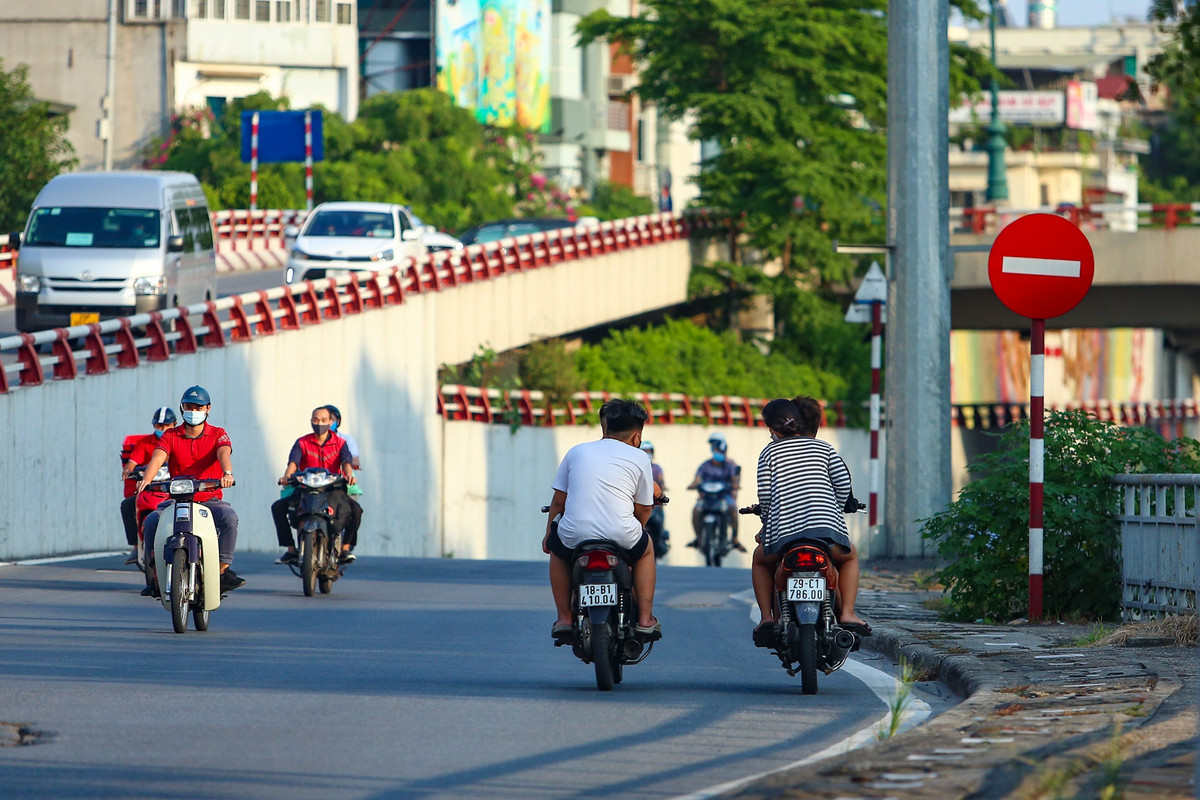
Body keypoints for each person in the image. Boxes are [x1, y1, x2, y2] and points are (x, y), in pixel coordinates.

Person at [750, 396, 870, 644]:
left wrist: (766, 523)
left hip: (784, 536)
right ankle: (847, 613)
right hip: (825, 534)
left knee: (760, 559)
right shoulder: (823, 448)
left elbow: (766, 495)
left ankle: (766, 618)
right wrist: (835, 508)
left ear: (772, 428)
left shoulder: (769, 452)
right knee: (850, 557)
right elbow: (843, 483)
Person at [542, 399, 661, 640]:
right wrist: (635, 529)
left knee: (556, 549)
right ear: (637, 437)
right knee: (646, 548)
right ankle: (645, 618)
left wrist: (548, 535)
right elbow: (645, 508)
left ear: (604, 428)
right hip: (622, 534)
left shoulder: (577, 451)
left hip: (575, 535)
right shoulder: (640, 458)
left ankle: (564, 618)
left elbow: (558, 502)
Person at [136, 385, 243, 594]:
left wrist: (227, 473)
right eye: (188, 406)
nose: (193, 411)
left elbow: (224, 454)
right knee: (151, 521)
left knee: (229, 517)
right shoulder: (170, 436)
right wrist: (146, 480)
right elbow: (158, 457)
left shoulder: (218, 434)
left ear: (208, 408)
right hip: (178, 500)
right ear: (182, 408)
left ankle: (223, 569)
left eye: (198, 407)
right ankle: (155, 574)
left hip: (209, 500)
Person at [273, 406, 357, 565]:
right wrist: (286, 477)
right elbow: (293, 463)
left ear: (331, 422)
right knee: (278, 508)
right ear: (311, 421)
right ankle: (291, 550)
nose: (319, 423)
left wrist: (349, 475)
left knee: (356, 511)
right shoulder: (302, 442)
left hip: (332, 489)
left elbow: (346, 462)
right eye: (316, 420)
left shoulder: (340, 443)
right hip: (306, 489)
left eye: (324, 420)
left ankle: (345, 549)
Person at [119, 407, 177, 564]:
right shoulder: (145, 443)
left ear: (175, 424)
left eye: (166, 426)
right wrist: (128, 470)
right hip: (149, 488)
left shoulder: (179, 441)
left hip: (174, 488)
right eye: (159, 426)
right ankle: (136, 547)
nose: (162, 429)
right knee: (127, 505)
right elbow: (132, 462)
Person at [686, 432, 745, 552]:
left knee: (733, 508)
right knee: (696, 510)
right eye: (716, 450)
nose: (719, 453)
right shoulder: (705, 465)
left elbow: (735, 479)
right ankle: (698, 538)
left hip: (724, 497)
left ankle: (734, 538)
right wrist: (693, 485)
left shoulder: (730, 465)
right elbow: (698, 478)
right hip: (707, 498)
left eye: (721, 451)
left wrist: (735, 485)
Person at [323, 404, 363, 554]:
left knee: (354, 511)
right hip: (318, 484)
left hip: (339, 483)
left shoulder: (344, 442)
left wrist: (349, 471)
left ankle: (346, 545)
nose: (326, 424)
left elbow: (351, 460)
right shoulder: (307, 441)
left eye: (330, 420)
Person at [640, 440, 669, 558]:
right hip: (638, 504)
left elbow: (660, 483)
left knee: (658, 518)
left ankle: (660, 537)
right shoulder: (636, 468)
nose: (647, 454)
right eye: (644, 452)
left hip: (653, 504)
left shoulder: (656, 469)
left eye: (649, 451)